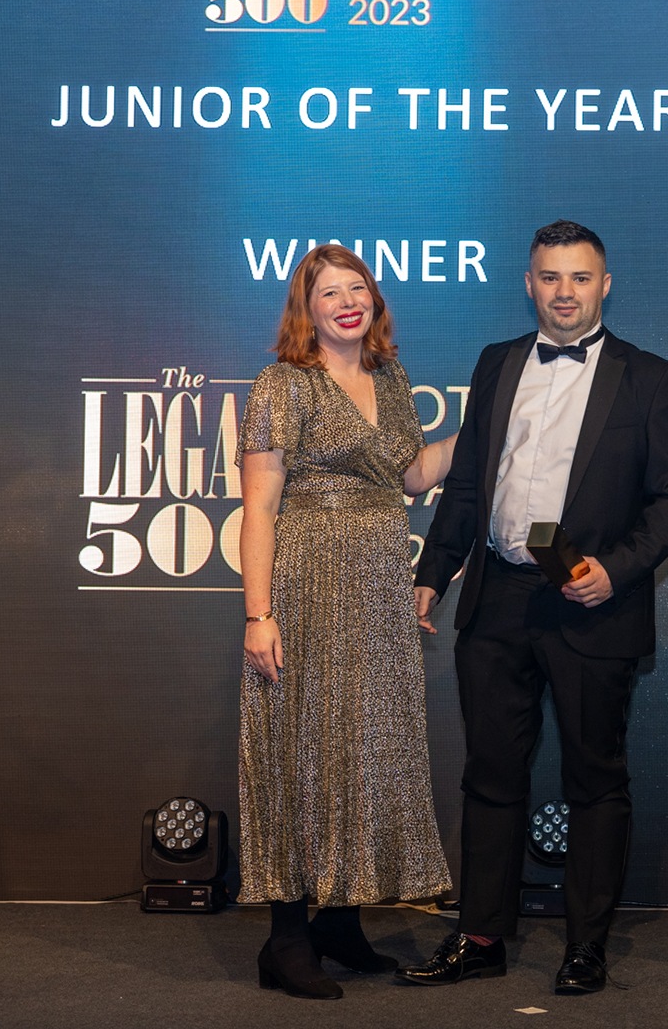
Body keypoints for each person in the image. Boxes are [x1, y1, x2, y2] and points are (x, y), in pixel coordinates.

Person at [398, 220, 668, 996]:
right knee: (490, 774)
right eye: (551, 277)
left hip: (590, 602)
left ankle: (585, 946)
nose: (565, 293)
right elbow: (469, 480)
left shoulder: (652, 377)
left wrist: (615, 572)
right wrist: (436, 570)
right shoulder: (496, 362)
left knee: (596, 779)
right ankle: (481, 937)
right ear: (529, 283)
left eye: (580, 278)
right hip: (498, 597)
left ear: (605, 285)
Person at [238, 243, 456, 1000]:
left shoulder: (390, 377)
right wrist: (258, 614)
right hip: (304, 581)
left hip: (377, 585)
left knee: (364, 747)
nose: (347, 302)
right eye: (329, 292)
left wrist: (489, 427)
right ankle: (285, 939)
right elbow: (259, 508)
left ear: (374, 299)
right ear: (307, 308)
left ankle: (339, 923)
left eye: (356, 287)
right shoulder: (282, 383)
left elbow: (411, 475)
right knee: (297, 747)